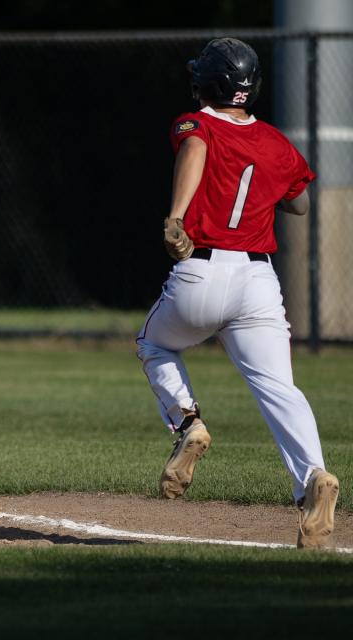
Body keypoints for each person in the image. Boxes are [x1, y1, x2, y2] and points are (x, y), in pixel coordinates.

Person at [136, 38, 339, 549]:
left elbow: (197, 146)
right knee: (280, 390)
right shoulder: (276, 142)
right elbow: (300, 205)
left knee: (155, 345)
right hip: (258, 282)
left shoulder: (197, 122)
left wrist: (177, 216)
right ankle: (314, 477)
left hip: (203, 270)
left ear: (211, 83)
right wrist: (272, 183)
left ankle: (188, 424)